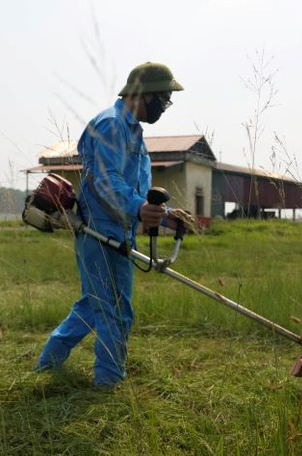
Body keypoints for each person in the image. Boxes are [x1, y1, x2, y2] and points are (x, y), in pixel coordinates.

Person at [34, 62, 190, 388]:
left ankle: (47, 366)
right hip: (100, 231)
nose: (165, 107)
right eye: (162, 100)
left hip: (117, 231)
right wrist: (138, 208)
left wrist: (165, 214)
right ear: (140, 95)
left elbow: (137, 193)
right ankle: (109, 384)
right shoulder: (110, 126)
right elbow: (108, 182)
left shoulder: (133, 132)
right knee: (115, 311)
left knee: (94, 306)